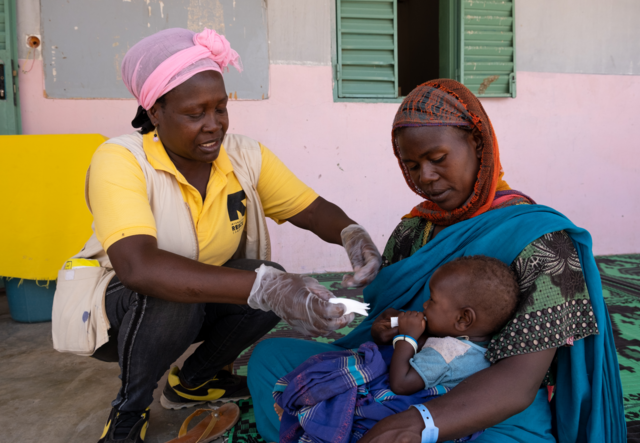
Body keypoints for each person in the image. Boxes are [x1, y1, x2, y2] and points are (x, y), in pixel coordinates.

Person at [50, 28, 382, 443]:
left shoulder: (243, 155)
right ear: (155, 111)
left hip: (196, 296)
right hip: (122, 311)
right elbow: (138, 267)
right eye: (195, 114)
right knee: (207, 291)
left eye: (221, 109)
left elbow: (311, 210)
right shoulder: (121, 160)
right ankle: (130, 409)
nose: (214, 126)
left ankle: (191, 381)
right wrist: (268, 288)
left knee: (267, 273)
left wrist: (352, 234)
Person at [248, 79, 626, 442]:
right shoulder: (415, 229)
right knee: (270, 358)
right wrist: (383, 325)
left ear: (479, 144)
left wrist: (418, 422)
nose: (425, 177)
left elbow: (517, 382)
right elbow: (399, 323)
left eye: (437, 158)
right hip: (399, 376)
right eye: (412, 166)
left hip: (481, 407)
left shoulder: (544, 242)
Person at [272, 256, 520, 443]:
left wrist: (406, 338)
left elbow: (401, 384)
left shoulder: (446, 353)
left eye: (432, 300)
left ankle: (303, 404)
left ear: (463, 319)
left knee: (346, 370)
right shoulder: (476, 349)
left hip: (406, 408)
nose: (425, 304)